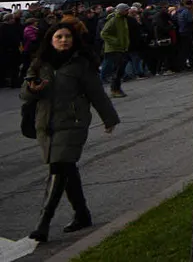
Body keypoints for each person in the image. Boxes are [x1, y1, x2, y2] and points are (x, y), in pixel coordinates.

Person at [21, 23, 120, 243]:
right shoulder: (40, 64)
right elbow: (24, 94)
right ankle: (82, 213)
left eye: (67, 36)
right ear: (51, 40)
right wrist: (31, 89)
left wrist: (109, 118)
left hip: (73, 122)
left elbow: (96, 93)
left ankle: (43, 222)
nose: (64, 40)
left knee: (58, 166)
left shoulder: (81, 64)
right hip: (46, 124)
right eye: (59, 36)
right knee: (66, 168)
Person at [99, 4, 130, 98]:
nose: (127, 12)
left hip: (121, 48)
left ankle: (117, 88)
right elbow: (104, 33)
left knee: (120, 70)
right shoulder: (113, 19)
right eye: (126, 10)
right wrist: (115, 41)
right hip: (114, 48)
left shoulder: (123, 19)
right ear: (121, 11)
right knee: (117, 70)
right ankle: (114, 89)